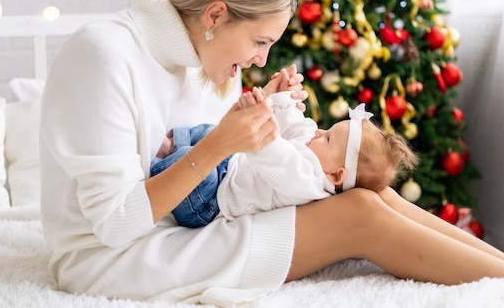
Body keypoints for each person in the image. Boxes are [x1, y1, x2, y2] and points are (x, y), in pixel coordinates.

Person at [39, 0, 504, 308]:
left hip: (184, 220)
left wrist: (260, 108)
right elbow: (114, 224)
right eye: (260, 42)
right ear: (215, 14)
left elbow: (224, 157)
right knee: (358, 213)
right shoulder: (106, 55)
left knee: (373, 191)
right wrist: (220, 143)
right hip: (117, 256)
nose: (262, 58)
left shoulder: (200, 57)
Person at [150, 85, 418, 227]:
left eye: (327, 137)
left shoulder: (308, 182)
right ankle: (170, 143)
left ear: (336, 174)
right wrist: (284, 98)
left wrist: (258, 119)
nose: (319, 132)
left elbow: (273, 154)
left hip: (209, 201)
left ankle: (160, 165)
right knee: (213, 133)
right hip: (230, 165)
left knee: (194, 161)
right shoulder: (317, 153)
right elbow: (297, 127)